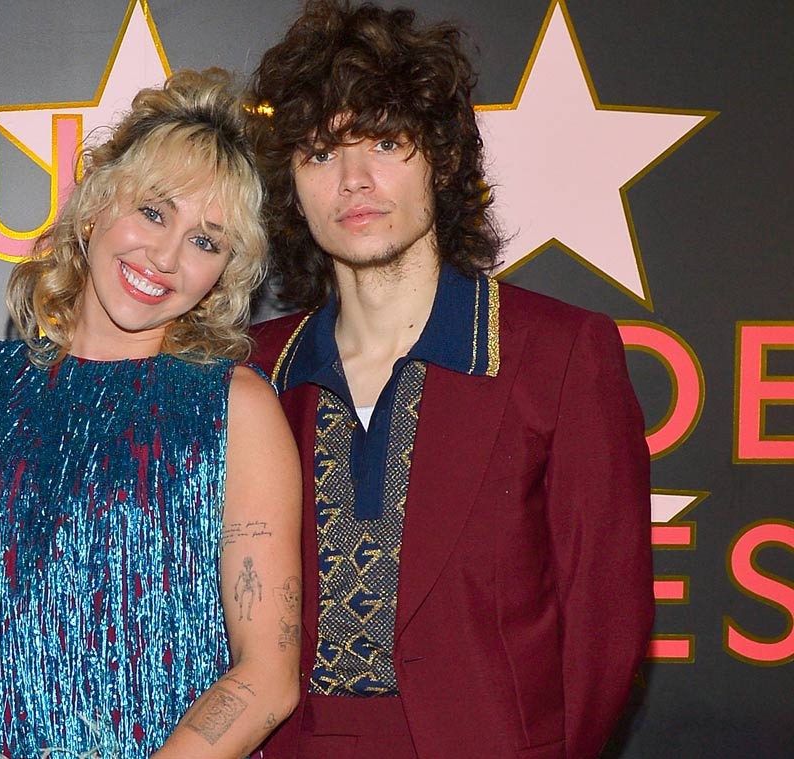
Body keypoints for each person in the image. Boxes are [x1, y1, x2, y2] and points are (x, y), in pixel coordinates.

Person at [245, 2, 654, 758]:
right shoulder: (256, 369)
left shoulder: (559, 353)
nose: (354, 180)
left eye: (386, 142)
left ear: (442, 159)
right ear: (292, 187)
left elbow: (607, 627)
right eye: (321, 153)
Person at [0, 69, 301, 759]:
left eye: (206, 241)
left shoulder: (237, 407)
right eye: (154, 212)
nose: (165, 257)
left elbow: (266, 676)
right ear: (95, 206)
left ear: (225, 274)